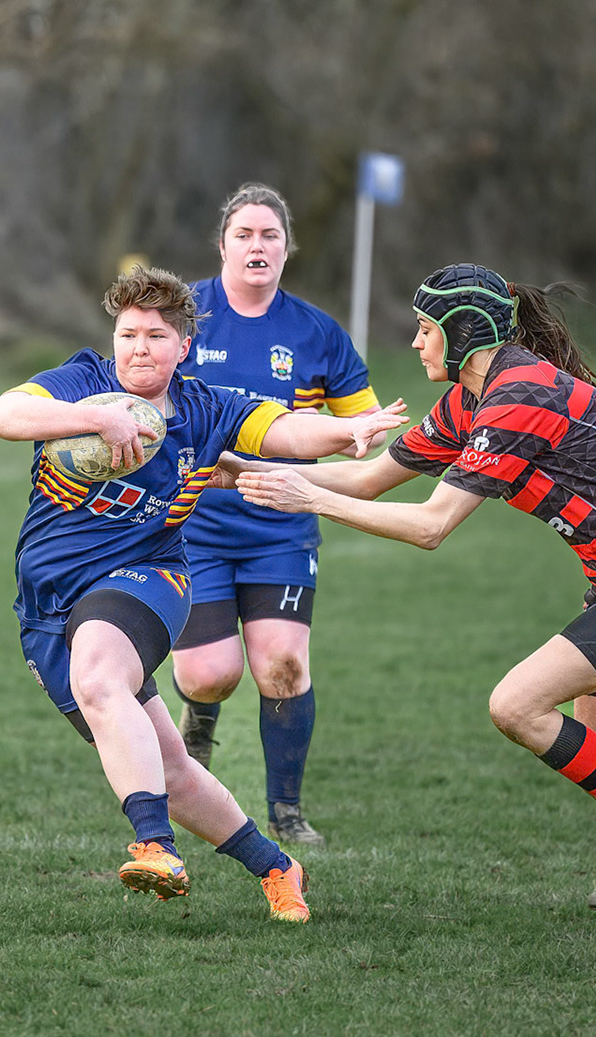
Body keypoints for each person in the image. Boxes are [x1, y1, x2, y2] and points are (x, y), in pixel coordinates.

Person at [230, 264, 596, 923]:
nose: (414, 343)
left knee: (517, 706)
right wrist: (236, 472)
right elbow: (373, 479)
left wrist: (309, 499)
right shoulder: (471, 399)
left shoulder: (519, 397)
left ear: (462, 334)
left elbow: (432, 526)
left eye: (424, 329)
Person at [0, 266, 406, 921]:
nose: (138, 348)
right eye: (128, 334)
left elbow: (287, 432)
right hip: (44, 608)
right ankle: (277, 866)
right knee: (168, 766)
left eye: (155, 336)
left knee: (99, 678)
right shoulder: (84, 382)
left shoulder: (210, 408)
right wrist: (96, 421)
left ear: (184, 347)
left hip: (148, 579)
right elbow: (3, 414)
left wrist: (346, 432)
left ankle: (152, 845)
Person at [168, 183, 382, 845]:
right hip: (194, 526)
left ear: (287, 248)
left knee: (283, 667)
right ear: (223, 244)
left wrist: (361, 437)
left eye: (269, 236)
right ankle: (199, 720)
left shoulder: (317, 333)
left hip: (281, 528)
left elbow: (364, 429)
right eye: (244, 235)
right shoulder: (184, 315)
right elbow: (141, 395)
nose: (257, 246)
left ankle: (286, 812)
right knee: (210, 673)